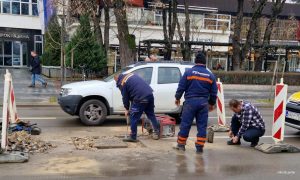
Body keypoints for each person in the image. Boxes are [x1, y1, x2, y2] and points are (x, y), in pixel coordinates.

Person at [174, 52, 217, 153]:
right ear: (204, 62)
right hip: (203, 103)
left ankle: (181, 145)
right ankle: (199, 147)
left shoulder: (189, 72)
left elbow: (181, 87)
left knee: (185, 124)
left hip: (190, 102)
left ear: (195, 62)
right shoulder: (210, 75)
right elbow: (214, 92)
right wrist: (211, 103)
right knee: (202, 126)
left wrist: (177, 97)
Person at [114, 73, 160, 142]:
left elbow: (125, 98)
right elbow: (134, 90)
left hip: (139, 98)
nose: (116, 83)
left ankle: (133, 136)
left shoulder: (122, 82)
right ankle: (156, 133)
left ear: (117, 79)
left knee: (133, 117)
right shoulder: (131, 75)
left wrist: (126, 109)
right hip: (149, 94)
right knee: (151, 115)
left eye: (115, 81)